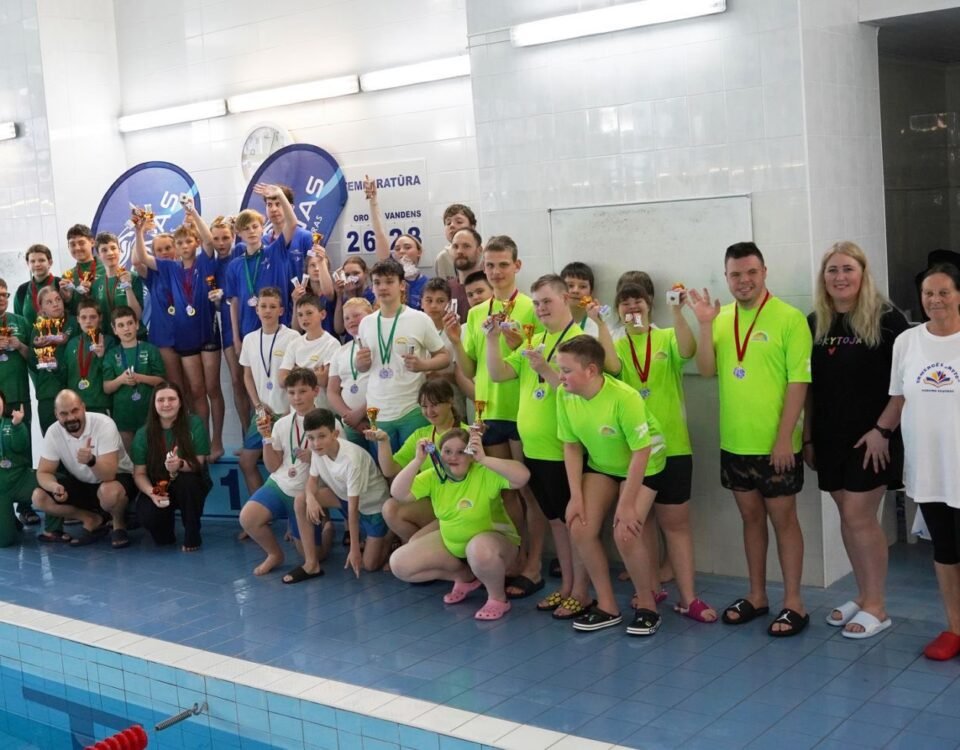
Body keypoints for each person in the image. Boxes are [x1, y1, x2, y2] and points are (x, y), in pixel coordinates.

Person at [687, 242, 812, 637]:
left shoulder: (789, 318)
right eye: (736, 274)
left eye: (751, 272)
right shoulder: (720, 318)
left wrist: (784, 438)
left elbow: (799, 383)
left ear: (764, 272)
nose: (744, 281)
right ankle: (757, 595)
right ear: (727, 277)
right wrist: (704, 325)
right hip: (735, 443)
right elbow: (706, 370)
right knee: (750, 519)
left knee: (784, 521)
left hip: (777, 445)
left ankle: (794, 602)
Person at [804, 242, 908, 639]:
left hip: (874, 438)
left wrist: (883, 431)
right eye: (832, 270)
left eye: (848, 268)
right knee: (847, 517)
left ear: (862, 273)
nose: (840, 277)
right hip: (830, 438)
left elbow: (905, 384)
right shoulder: (817, 321)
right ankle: (864, 597)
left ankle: (878, 606)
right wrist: (808, 437)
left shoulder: (886, 319)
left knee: (859, 516)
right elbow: (809, 387)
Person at [445, 235, 546, 599]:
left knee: (530, 493)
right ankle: (517, 558)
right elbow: (470, 369)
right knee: (506, 495)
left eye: (503, 264)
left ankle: (535, 565)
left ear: (517, 266)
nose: (497, 271)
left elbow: (539, 362)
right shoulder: (476, 313)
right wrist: (456, 341)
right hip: (487, 413)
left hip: (522, 412)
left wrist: (516, 340)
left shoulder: (532, 308)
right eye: (490, 265)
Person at [609, 283, 716, 623]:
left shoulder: (667, 336)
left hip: (673, 446)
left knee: (676, 524)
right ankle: (649, 590)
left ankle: (689, 598)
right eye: (625, 303)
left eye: (637, 301)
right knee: (638, 525)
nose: (632, 308)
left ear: (649, 305)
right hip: (636, 451)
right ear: (618, 310)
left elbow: (688, 350)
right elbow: (609, 369)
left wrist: (677, 312)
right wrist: (599, 323)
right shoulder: (616, 345)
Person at [486, 275, 591, 619]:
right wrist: (491, 339)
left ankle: (581, 591)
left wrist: (545, 368)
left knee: (574, 524)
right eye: (537, 303)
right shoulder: (537, 339)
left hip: (564, 451)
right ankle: (567, 586)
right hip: (535, 450)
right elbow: (499, 373)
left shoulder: (580, 342)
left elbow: (579, 393)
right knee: (556, 522)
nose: (541, 308)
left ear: (566, 299)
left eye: (548, 301)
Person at [556, 335, 667, 635]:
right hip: (603, 465)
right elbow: (571, 446)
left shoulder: (625, 397)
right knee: (579, 526)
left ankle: (648, 606)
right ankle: (607, 606)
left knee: (626, 533)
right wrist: (575, 497)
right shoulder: (564, 395)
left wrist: (627, 504)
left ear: (591, 370)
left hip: (645, 464)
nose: (560, 377)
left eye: (566, 370)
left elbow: (642, 451)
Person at [882, 264, 960, 660]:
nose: (935, 300)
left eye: (944, 292)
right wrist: (878, 433)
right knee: (945, 551)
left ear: (959, 295)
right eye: (929, 293)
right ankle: (955, 628)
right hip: (930, 470)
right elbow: (898, 399)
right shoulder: (907, 342)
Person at [389, 428, 530, 620]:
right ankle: (465, 576)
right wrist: (417, 461)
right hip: (455, 546)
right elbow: (398, 493)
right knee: (400, 564)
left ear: (471, 455)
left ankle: (497, 598)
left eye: (461, 452)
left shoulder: (484, 472)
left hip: (495, 546)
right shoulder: (434, 476)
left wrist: (484, 459)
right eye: (447, 451)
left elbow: (522, 476)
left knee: (478, 549)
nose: (453, 457)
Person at [239, 367, 333, 579]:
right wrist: (266, 438)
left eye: (302, 391)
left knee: (315, 556)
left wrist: (316, 457)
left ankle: (328, 530)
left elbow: (339, 462)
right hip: (280, 484)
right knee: (248, 518)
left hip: (306, 492)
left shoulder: (328, 422)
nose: (297, 398)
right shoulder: (282, 424)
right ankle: (274, 554)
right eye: (291, 393)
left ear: (316, 391)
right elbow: (273, 467)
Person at [355, 259, 450, 450]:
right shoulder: (366, 323)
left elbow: (444, 357)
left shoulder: (419, 319)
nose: (383, 287)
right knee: (385, 466)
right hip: (378, 411)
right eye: (377, 282)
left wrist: (424, 365)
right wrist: (360, 364)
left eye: (389, 281)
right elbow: (364, 366)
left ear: (402, 285)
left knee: (416, 464)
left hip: (412, 408)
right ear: (372, 287)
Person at [31, 390, 136, 549]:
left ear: (83, 408)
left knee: (109, 492)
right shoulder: (53, 432)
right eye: (64, 413)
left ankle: (119, 524)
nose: (71, 418)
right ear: (56, 414)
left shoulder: (104, 424)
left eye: (75, 411)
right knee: (39, 497)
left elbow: (108, 475)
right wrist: (54, 487)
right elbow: (44, 472)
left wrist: (91, 461)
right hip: (84, 482)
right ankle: (91, 519)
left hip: (115, 478)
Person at [300, 408, 393, 576]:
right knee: (301, 500)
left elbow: (353, 508)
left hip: (372, 507)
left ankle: (390, 534)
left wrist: (354, 549)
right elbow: (312, 481)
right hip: (344, 498)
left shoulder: (351, 459)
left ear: (335, 434)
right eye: (311, 438)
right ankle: (311, 561)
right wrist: (310, 497)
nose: (316, 443)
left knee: (369, 565)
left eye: (321, 436)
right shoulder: (317, 450)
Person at [372, 380, 467, 542]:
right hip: (434, 504)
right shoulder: (421, 435)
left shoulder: (467, 434)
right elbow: (389, 470)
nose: (429, 411)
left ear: (450, 401)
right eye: (424, 406)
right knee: (390, 508)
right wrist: (383, 441)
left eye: (434, 405)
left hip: (460, 506)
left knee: (413, 544)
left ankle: (426, 546)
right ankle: (423, 545)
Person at [131, 382, 211, 551]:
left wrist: (180, 464)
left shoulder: (194, 423)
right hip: (159, 485)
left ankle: (192, 533)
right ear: (153, 404)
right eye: (161, 400)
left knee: (189, 483)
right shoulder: (143, 433)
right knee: (154, 526)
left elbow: (199, 463)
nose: (166, 404)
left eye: (172, 399)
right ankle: (164, 526)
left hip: (186, 480)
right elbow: (139, 473)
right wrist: (152, 493)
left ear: (180, 402)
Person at [238, 287, 299, 504]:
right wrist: (257, 405)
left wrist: (291, 410)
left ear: (281, 310)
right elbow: (247, 376)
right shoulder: (250, 339)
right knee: (246, 461)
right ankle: (261, 507)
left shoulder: (292, 337)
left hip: (285, 411)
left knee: (288, 464)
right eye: (263, 306)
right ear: (256, 309)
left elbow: (297, 375)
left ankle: (292, 514)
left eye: (273, 307)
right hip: (262, 413)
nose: (267, 311)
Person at [225, 184, 299, 346]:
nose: (251, 231)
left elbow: (292, 223)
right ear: (239, 233)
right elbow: (234, 303)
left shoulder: (275, 251)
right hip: (248, 331)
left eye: (255, 227)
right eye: (246, 228)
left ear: (262, 228)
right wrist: (236, 338)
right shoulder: (235, 266)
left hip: (279, 330)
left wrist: (279, 194)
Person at [102, 306, 167, 453]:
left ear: (137, 324)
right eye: (121, 325)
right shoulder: (111, 354)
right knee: (130, 456)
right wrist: (121, 380)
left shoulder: (150, 350)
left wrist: (140, 378)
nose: (126, 328)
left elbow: (161, 381)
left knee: (152, 453)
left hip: (149, 414)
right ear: (114, 330)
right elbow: (106, 388)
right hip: (123, 415)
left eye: (130, 323)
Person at [134, 220, 182, 391]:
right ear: (153, 254)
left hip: (187, 333)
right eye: (159, 250)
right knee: (175, 385)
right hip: (163, 336)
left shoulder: (186, 268)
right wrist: (140, 232)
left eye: (168, 248)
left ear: (177, 248)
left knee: (195, 387)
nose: (164, 253)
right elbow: (137, 261)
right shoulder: (153, 274)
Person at [366, 178, 429, 310]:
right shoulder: (389, 273)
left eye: (407, 247)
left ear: (419, 251)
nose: (402, 251)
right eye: (397, 248)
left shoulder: (427, 284)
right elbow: (379, 234)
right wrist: (373, 201)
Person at [29, 286, 79, 434]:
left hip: (73, 388)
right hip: (48, 391)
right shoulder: (38, 329)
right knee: (52, 439)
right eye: (49, 302)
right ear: (42, 308)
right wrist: (38, 350)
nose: (55, 304)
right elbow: (32, 362)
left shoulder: (75, 322)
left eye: (58, 299)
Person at [328, 297, 374, 452]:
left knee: (382, 462)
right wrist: (349, 416)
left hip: (377, 417)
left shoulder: (378, 346)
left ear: (371, 316)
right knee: (356, 461)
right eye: (346, 318)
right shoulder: (340, 351)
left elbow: (385, 385)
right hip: (350, 423)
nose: (351, 321)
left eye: (356, 315)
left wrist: (360, 414)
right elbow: (332, 391)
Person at [279, 295, 340, 411]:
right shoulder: (294, 344)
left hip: (321, 410)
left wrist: (296, 371)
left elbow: (324, 380)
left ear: (322, 314)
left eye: (309, 313)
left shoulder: (332, 344)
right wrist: (313, 373)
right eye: (300, 315)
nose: (304, 318)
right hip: (297, 412)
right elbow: (282, 380)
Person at [0, 393, 38, 546]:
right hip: (1, 490)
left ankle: (53, 529)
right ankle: (10, 520)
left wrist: (17, 426)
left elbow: (22, 446)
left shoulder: (11, 424)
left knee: (54, 483)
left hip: (19, 479)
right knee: (4, 541)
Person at [64, 298, 113, 415]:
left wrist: (101, 357)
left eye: (93, 317)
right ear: (78, 319)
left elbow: (112, 374)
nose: (88, 321)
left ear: (100, 318)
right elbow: (65, 375)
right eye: (83, 317)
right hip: (76, 406)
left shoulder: (108, 342)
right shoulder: (71, 344)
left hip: (100, 405)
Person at [89, 232, 144, 330]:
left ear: (120, 250)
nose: (110, 253)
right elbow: (97, 318)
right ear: (99, 255)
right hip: (109, 337)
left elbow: (137, 315)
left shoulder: (133, 277)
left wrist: (128, 287)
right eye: (104, 250)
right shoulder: (96, 284)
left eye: (113, 248)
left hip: (133, 336)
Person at [59, 224, 106, 314]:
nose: (77, 248)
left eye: (81, 243)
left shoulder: (106, 269)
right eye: (72, 244)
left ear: (92, 242)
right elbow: (69, 312)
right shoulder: (67, 276)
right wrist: (67, 299)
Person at [14, 244, 60, 327]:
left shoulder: (60, 285)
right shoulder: (22, 290)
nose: (37, 264)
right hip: (30, 335)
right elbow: (18, 322)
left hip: (60, 334)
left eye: (41, 260)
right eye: (32, 261)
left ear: (50, 263)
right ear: (28, 264)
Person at [432, 203, 478, 284]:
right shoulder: (442, 258)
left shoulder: (486, 254)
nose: (452, 225)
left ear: (472, 227)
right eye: (448, 223)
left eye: (459, 222)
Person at [332, 257, 375, 338]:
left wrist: (351, 297)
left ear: (365, 274)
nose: (351, 278)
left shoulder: (373, 295)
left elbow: (368, 326)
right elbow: (339, 329)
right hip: (350, 342)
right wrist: (339, 295)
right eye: (347, 275)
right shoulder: (344, 298)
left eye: (356, 273)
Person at [561, 262, 601, 338]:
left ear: (591, 292)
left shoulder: (597, 327)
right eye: (570, 285)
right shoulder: (550, 321)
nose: (575, 290)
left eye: (582, 286)